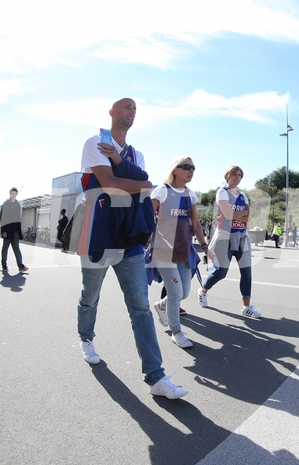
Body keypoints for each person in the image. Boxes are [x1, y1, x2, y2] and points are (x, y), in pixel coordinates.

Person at [77, 97, 187, 399]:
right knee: (90, 296)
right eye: (127, 107)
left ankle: (155, 377)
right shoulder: (94, 143)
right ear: (112, 112)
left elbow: (145, 184)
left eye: (136, 109)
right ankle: (86, 337)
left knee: (140, 306)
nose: (132, 111)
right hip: (99, 234)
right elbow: (113, 182)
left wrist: (133, 178)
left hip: (129, 237)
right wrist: (136, 182)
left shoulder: (136, 153)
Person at [150, 156, 211, 348]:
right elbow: (146, 217)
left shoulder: (190, 194)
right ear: (175, 169)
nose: (191, 170)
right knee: (176, 292)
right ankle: (176, 332)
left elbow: (196, 223)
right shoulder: (162, 190)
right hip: (163, 250)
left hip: (184, 249)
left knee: (184, 292)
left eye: (193, 167)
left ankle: (161, 305)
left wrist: (205, 246)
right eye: (186, 167)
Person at [197, 165, 261, 319]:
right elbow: (227, 214)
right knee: (221, 272)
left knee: (247, 272)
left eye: (240, 175)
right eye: (234, 174)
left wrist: (238, 215)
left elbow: (248, 217)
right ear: (227, 176)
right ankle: (203, 290)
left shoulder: (243, 196)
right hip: (224, 236)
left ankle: (246, 306)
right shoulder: (222, 192)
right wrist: (241, 213)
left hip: (241, 236)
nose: (237, 177)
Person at [0, 187, 28, 273]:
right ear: (10, 193)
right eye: (12, 193)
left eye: (15, 194)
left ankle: (20, 265)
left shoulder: (17, 204)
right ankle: (4, 265)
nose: (14, 195)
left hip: (15, 230)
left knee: (16, 248)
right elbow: (2, 218)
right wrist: (3, 230)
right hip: (7, 230)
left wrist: (19, 230)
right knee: (5, 248)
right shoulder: (6, 204)